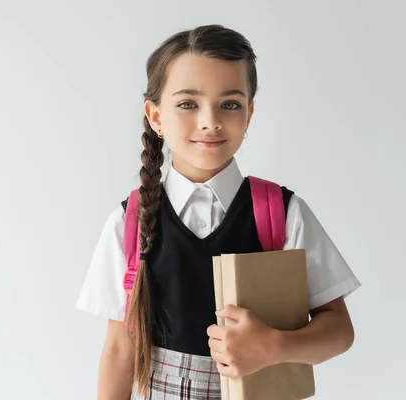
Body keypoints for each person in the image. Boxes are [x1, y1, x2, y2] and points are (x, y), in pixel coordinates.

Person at [76, 24, 361, 399]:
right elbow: (118, 348)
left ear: (249, 113)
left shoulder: (282, 213)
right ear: (156, 117)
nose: (210, 120)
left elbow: (339, 331)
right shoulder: (129, 222)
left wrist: (272, 346)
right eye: (187, 104)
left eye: (230, 103)